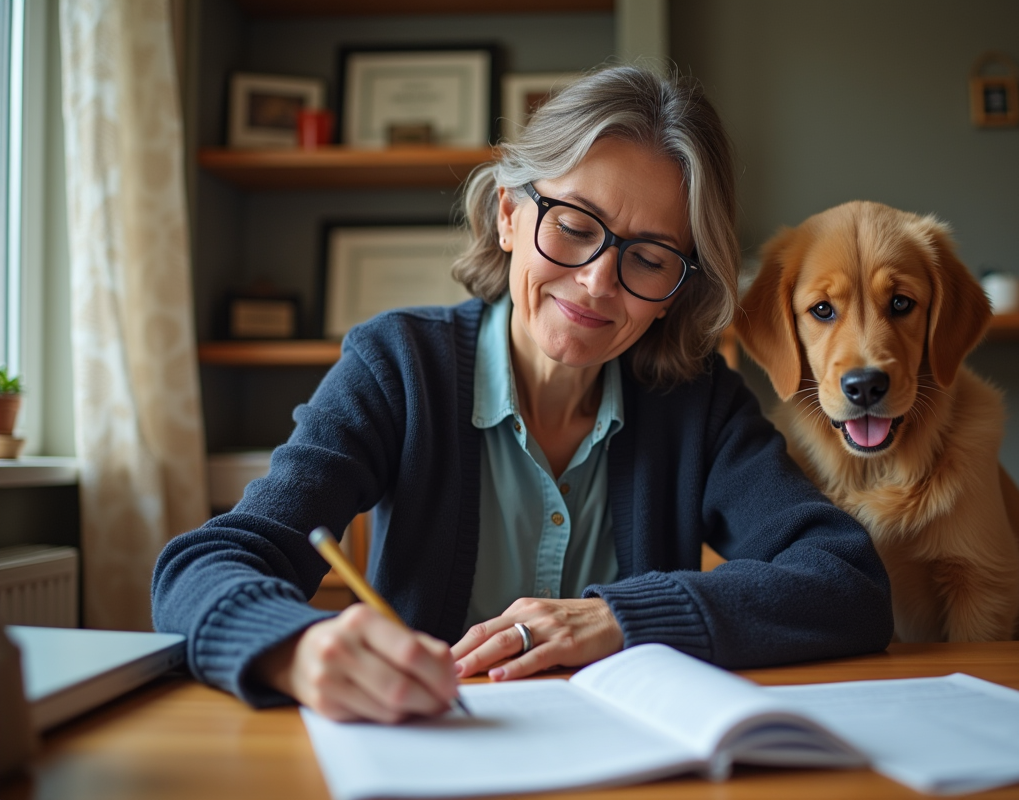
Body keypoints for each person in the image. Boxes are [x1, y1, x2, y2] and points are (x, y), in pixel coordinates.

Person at [152, 65, 892, 724]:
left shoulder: (699, 402)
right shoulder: (396, 365)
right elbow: (201, 567)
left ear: (675, 290)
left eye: (650, 257)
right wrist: (296, 648)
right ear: (509, 214)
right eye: (573, 227)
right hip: (428, 754)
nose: (598, 282)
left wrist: (621, 618)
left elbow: (844, 579)